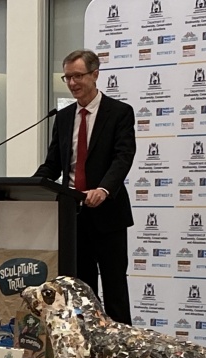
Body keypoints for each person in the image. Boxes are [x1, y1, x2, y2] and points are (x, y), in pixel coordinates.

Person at [34, 49, 136, 324]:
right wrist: (31, 188)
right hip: (73, 217)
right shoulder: (64, 117)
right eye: (67, 77)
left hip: (108, 214)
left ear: (95, 74)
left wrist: (103, 189)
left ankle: (121, 351)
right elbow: (52, 165)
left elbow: (122, 157)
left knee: (114, 287)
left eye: (77, 76)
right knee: (80, 289)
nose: (72, 83)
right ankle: (87, 346)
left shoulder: (119, 113)